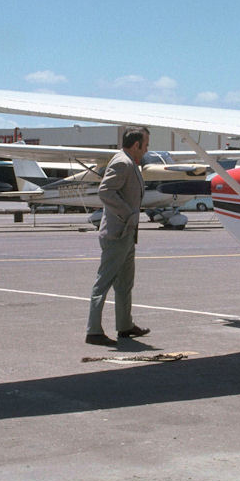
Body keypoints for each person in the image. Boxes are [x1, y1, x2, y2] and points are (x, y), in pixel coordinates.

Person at [86, 126, 152, 346]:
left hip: (126, 233)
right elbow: (105, 191)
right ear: (136, 145)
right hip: (117, 233)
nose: (146, 149)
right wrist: (128, 213)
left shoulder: (129, 163)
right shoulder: (122, 162)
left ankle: (124, 325)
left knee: (125, 283)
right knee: (104, 282)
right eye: (145, 144)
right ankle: (93, 330)